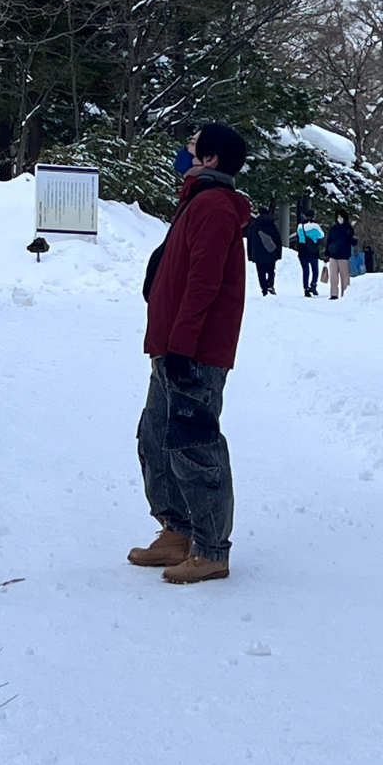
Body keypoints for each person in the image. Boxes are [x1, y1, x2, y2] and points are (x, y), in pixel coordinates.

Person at [130, 123, 252, 583]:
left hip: (193, 353)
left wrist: (181, 346)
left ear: (212, 159)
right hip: (171, 348)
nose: (185, 150)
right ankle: (177, 530)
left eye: (193, 146)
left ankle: (212, 548)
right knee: (156, 440)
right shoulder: (197, 200)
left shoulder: (215, 206)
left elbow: (205, 283)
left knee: (194, 446)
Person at [245, 205, 283, 295]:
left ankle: (264, 288)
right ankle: (270, 284)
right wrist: (278, 253)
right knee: (271, 270)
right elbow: (278, 239)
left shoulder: (254, 225)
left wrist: (250, 255)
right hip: (271, 252)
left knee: (261, 272)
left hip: (258, 253)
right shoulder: (272, 225)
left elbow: (250, 241)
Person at [323, 209, 356, 299]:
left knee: (344, 276)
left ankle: (345, 294)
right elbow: (329, 241)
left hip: (342, 255)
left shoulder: (347, 228)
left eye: (341, 217)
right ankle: (334, 294)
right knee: (334, 276)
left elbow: (352, 241)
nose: (339, 218)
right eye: (338, 217)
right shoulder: (336, 229)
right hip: (336, 255)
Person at [296, 213, 324, 297]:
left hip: (303, 250)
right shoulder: (315, 227)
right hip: (313, 251)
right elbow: (321, 235)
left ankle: (306, 288)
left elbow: (300, 237)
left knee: (305, 271)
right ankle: (313, 285)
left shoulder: (300, 226)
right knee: (315, 269)